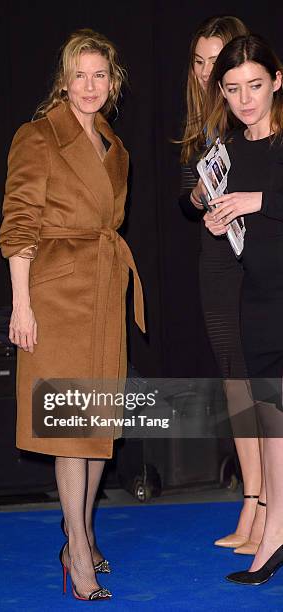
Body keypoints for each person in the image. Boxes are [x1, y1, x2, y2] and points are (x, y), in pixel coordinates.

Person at [0, 29, 145, 600]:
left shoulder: (113, 145)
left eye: (100, 75)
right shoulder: (36, 137)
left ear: (113, 84)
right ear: (63, 80)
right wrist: (21, 306)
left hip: (105, 291)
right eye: (79, 75)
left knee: (98, 427)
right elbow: (18, 224)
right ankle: (77, 550)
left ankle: (78, 531)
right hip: (56, 297)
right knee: (70, 431)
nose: (89, 86)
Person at [178, 15, 265, 555]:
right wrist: (196, 197)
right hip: (216, 257)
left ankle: (263, 507)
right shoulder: (202, 122)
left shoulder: (251, 111)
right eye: (200, 61)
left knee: (261, 386)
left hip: (254, 259)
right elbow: (187, 188)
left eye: (220, 60)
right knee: (235, 383)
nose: (209, 72)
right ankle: (252, 498)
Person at [204, 33, 283, 585]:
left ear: (277, 81)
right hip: (257, 296)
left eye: (255, 85)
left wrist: (259, 202)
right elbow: (228, 216)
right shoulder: (231, 151)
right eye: (232, 89)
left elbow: (263, 206)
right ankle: (276, 529)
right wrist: (221, 220)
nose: (245, 99)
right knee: (273, 424)